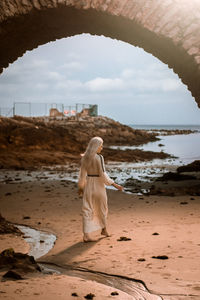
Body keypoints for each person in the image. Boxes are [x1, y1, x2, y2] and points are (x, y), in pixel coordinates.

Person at [78, 136, 123, 242]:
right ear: (96, 146)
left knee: (87, 209)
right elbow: (103, 175)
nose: (102, 148)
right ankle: (104, 229)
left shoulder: (85, 157)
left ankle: (86, 235)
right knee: (102, 208)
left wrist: (80, 187)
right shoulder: (99, 157)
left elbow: (82, 174)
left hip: (88, 184)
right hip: (98, 185)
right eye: (101, 145)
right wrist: (114, 185)